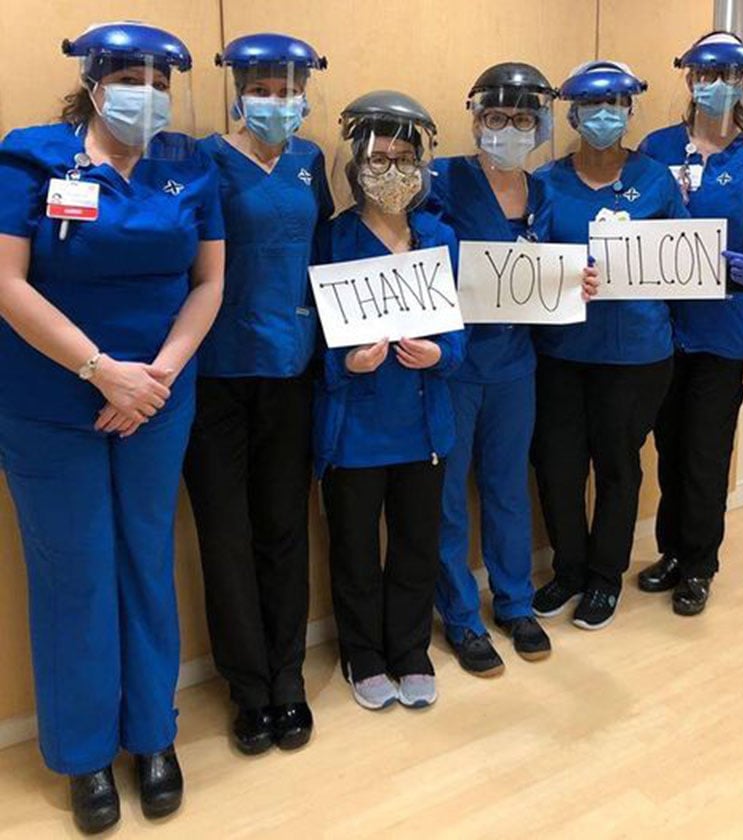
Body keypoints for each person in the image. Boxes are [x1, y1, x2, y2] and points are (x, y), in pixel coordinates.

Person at [0, 22, 224, 834]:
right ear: (93, 81)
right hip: (49, 400)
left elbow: (208, 284)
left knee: (145, 557)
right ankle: (84, 752)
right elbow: (7, 282)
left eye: (162, 79)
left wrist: (155, 375)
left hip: (158, 399)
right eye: (131, 75)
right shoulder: (31, 158)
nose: (149, 93)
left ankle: (153, 736)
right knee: (74, 572)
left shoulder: (186, 166)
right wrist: (102, 369)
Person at [183, 33, 332, 756]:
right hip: (215, 375)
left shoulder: (310, 161)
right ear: (238, 91)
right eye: (264, 89)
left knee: (283, 528)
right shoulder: (199, 162)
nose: (279, 101)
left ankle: (288, 679)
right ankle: (248, 688)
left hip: (291, 370)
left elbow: (323, 261)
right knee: (225, 536)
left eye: (290, 88)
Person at [428, 63, 597, 677]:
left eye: (523, 120)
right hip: (454, 364)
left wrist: (576, 282)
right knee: (449, 497)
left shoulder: (545, 192)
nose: (508, 130)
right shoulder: (442, 178)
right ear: (475, 118)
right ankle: (461, 617)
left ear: (542, 124)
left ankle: (515, 603)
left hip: (515, 366)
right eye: (495, 118)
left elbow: (549, 273)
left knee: (505, 489)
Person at [313, 91, 465, 710]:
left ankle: (409, 649)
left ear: (423, 164)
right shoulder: (334, 240)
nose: (392, 171)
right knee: (353, 547)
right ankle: (363, 653)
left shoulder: (439, 237)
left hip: (422, 426)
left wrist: (441, 356)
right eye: (379, 159)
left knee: (415, 544)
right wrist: (346, 362)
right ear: (356, 165)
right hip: (355, 428)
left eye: (406, 159)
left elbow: (458, 334)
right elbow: (315, 335)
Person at [637, 31, 743, 615]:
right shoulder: (656, 150)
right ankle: (671, 552)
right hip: (658, 331)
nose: (715, 85)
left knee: (706, 452)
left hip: (723, 336)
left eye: (728, 75)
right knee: (669, 448)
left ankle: (700, 563)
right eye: (704, 74)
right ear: (688, 79)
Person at [530, 60, 688, 631]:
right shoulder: (546, 181)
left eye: (616, 106)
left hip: (636, 353)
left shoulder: (656, 181)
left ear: (629, 112)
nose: (603, 116)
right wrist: (564, 275)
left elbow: (682, 258)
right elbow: (532, 263)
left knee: (618, 466)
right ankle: (568, 569)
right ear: (572, 113)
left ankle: (603, 578)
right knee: (558, 464)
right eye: (592, 106)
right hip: (562, 353)